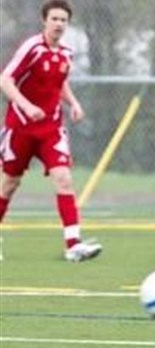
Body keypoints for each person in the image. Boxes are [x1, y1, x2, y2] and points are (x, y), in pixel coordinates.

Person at [0, 0, 102, 262]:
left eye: (63, 20)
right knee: (9, 184)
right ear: (44, 21)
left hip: (51, 129)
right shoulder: (32, 48)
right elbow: (5, 80)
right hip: (20, 127)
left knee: (64, 178)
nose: (59, 24)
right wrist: (27, 105)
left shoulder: (66, 54)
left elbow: (59, 82)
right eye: (54, 19)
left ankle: (73, 244)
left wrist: (74, 103)